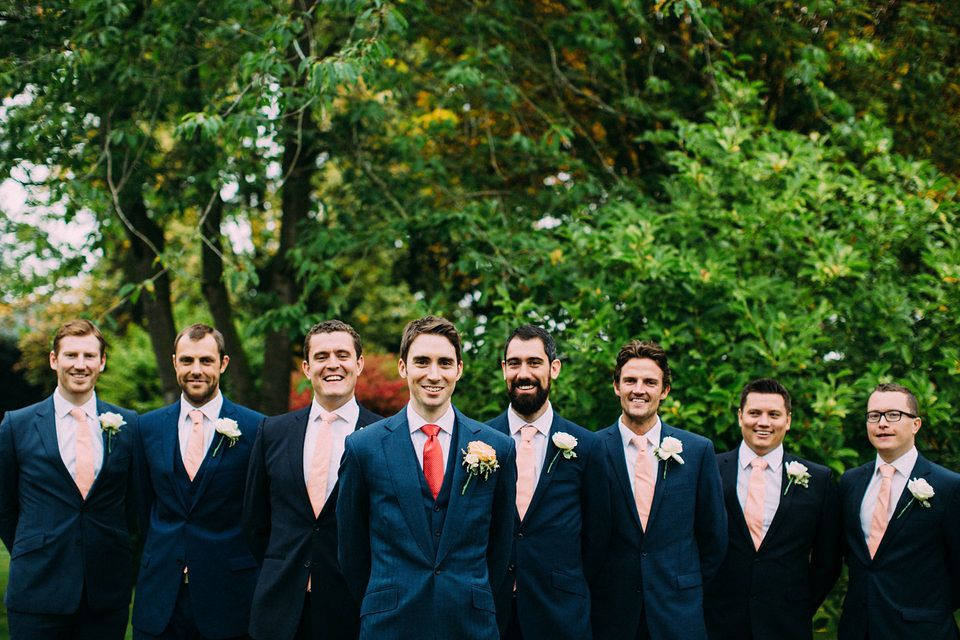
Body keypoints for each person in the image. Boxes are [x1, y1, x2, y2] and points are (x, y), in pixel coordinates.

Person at [337, 315, 516, 640]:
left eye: (444, 363)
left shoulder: (498, 448)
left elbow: (501, 545)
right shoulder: (363, 447)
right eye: (422, 362)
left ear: (459, 369)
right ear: (403, 367)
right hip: (389, 624)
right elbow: (352, 550)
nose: (434, 374)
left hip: (471, 624)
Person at [243, 320, 382, 640]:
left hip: (351, 607)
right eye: (321, 356)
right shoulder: (272, 432)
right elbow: (254, 522)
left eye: (342, 355)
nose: (332, 364)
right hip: (278, 606)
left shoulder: (384, 436)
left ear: (358, 364)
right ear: (306, 368)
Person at [0, 319, 138, 639]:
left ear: (102, 362)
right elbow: (4, 507)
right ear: (54, 360)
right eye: (71, 355)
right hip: (37, 590)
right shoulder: (16, 426)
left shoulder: (128, 426)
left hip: (105, 594)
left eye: (89, 356)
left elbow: (132, 504)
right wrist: (33, 547)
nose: (80, 365)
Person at [133, 323, 264, 640]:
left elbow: (261, 514)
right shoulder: (146, 428)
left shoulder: (257, 428)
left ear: (223, 363)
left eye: (206, 361)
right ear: (174, 361)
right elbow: (138, 507)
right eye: (187, 360)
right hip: (160, 599)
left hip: (231, 597)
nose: (196, 370)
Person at [592, 339, 726, 640]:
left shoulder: (697, 451)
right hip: (611, 614)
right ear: (616, 386)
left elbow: (714, 537)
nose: (639, 389)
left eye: (650, 382)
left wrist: (684, 587)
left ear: (664, 390)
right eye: (630, 381)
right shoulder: (591, 450)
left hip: (678, 613)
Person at [486, 325, 609, 640]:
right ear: (504, 370)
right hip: (491, 611)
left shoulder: (587, 446)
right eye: (514, 363)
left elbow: (598, 536)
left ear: (554, 368)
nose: (523, 373)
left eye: (534, 363)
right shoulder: (479, 441)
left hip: (560, 612)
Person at [704, 378, 841, 640]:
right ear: (740, 416)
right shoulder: (709, 469)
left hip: (787, 625)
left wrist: (799, 607)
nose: (763, 422)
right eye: (755, 413)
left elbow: (828, 560)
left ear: (787, 420)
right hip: (717, 622)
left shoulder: (819, 480)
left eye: (774, 415)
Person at [838, 382, 960, 639]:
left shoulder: (948, 486)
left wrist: (929, 611)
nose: (882, 423)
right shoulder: (851, 482)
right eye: (874, 416)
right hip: (859, 627)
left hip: (922, 629)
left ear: (916, 424)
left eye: (894, 415)